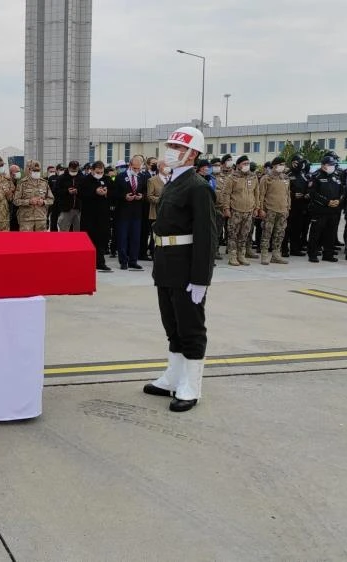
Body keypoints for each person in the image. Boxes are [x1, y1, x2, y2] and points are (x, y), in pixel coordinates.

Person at [143, 127, 217, 413]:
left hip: (186, 268)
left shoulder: (198, 187)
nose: (171, 149)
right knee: (171, 325)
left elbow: (206, 237)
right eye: (170, 144)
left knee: (190, 327)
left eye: (177, 146)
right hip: (166, 265)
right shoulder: (172, 182)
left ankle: (191, 386)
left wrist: (201, 279)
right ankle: (173, 377)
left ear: (193, 154)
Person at [220, 155, 259, 266]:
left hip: (249, 211)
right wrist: (226, 208)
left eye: (248, 163)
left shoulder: (253, 177)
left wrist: (257, 208)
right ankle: (233, 256)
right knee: (233, 234)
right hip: (235, 210)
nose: (246, 165)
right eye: (244, 163)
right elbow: (226, 194)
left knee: (244, 234)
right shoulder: (232, 177)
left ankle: (241, 255)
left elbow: (257, 193)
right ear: (238, 165)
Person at [306, 155, 345, 263]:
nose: (332, 167)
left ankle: (328, 254)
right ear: (323, 165)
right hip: (320, 210)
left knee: (331, 233)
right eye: (330, 165)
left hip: (334, 211)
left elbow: (342, 191)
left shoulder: (336, 176)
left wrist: (339, 201)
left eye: (333, 165)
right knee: (316, 233)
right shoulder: (316, 176)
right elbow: (313, 193)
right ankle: (312, 254)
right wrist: (327, 202)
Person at [111, 155, 146, 270]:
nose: (137, 170)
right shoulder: (120, 177)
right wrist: (124, 197)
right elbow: (114, 194)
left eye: (139, 168)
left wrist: (141, 196)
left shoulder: (141, 177)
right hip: (123, 212)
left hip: (136, 212)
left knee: (135, 237)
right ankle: (123, 261)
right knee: (123, 237)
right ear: (130, 165)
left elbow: (145, 192)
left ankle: (133, 260)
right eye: (135, 168)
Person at [256, 157, 292, 265]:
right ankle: (264, 255)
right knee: (267, 233)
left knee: (280, 233)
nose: (283, 166)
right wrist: (261, 209)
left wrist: (288, 207)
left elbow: (288, 194)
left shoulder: (285, 178)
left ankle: (276, 255)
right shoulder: (266, 178)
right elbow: (261, 195)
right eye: (281, 164)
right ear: (275, 165)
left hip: (282, 210)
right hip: (270, 210)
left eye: (284, 164)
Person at [79, 160, 112, 272]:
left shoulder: (107, 179)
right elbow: (81, 194)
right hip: (89, 215)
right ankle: (88, 262)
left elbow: (114, 193)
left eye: (101, 172)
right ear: (92, 170)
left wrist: (106, 192)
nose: (100, 174)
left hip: (103, 215)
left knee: (102, 239)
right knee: (89, 239)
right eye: (97, 172)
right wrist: (95, 192)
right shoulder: (85, 180)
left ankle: (100, 262)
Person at [13, 160, 54, 232]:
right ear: (29, 170)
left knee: (40, 243)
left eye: (38, 170)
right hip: (26, 220)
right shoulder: (22, 183)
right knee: (27, 242)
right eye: (35, 170)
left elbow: (51, 199)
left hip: (41, 219)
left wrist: (44, 202)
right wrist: (28, 201)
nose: (37, 172)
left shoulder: (44, 183)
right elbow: (15, 201)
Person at [286, 156, 311, 256]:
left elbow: (309, 186)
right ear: (293, 163)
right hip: (290, 206)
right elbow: (283, 190)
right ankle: (284, 249)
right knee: (287, 229)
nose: (301, 164)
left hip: (301, 206)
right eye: (299, 162)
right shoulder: (288, 175)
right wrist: (293, 195)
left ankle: (295, 249)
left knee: (298, 229)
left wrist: (307, 194)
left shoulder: (303, 174)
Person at [145, 164, 171, 260]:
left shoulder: (172, 179)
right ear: (160, 167)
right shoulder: (152, 180)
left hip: (169, 212)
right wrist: (161, 200)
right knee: (155, 235)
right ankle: (154, 253)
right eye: (165, 165)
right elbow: (150, 196)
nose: (167, 168)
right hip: (156, 211)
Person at [55, 161, 84, 233]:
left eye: (75, 170)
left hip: (79, 209)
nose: (74, 171)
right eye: (72, 170)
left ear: (78, 168)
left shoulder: (82, 178)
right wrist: (67, 191)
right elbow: (55, 191)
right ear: (68, 168)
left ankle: (77, 244)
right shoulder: (61, 178)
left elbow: (86, 191)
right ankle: (64, 244)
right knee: (64, 230)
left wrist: (78, 191)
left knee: (79, 231)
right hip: (66, 209)